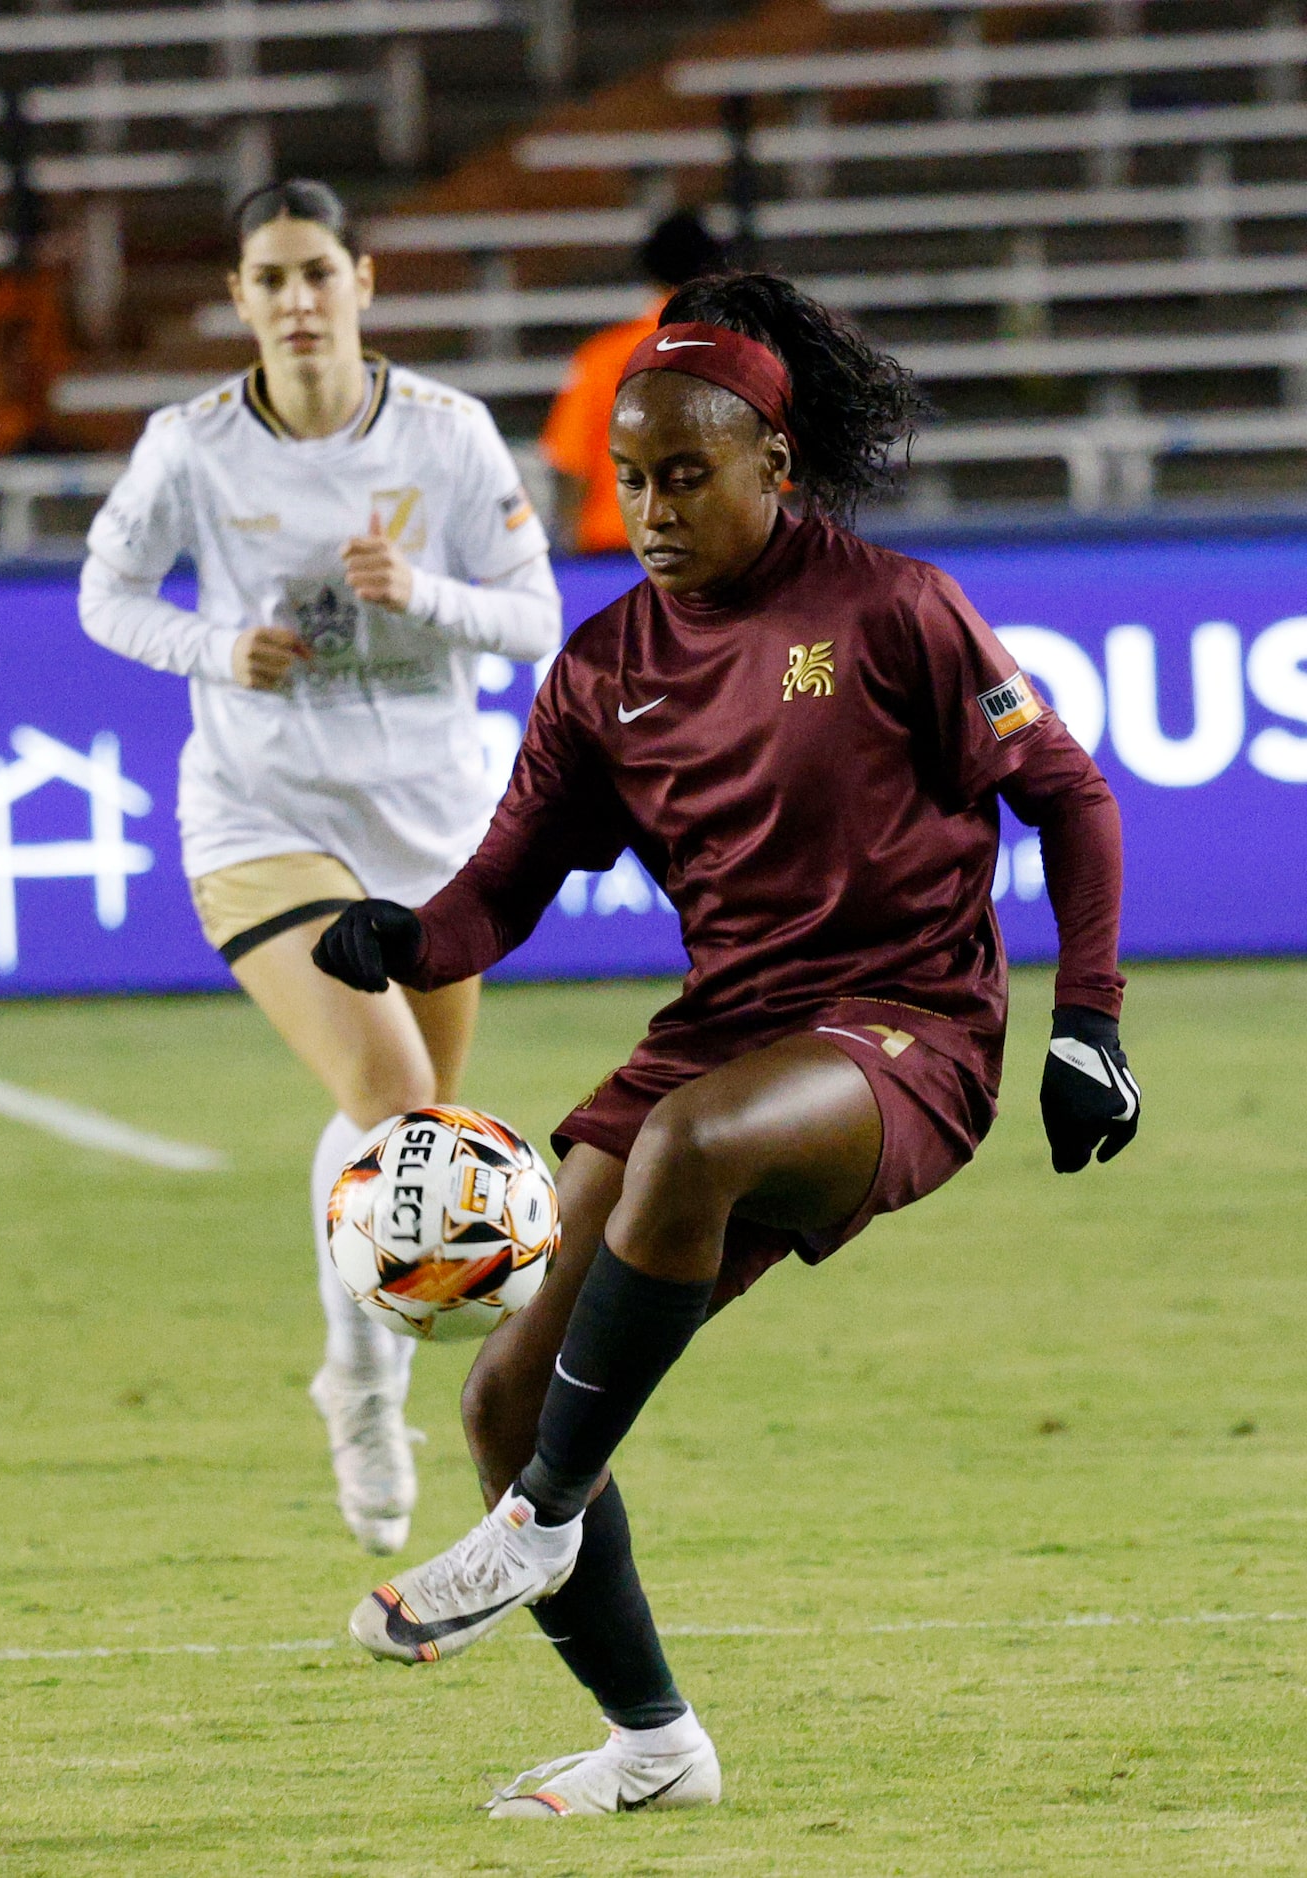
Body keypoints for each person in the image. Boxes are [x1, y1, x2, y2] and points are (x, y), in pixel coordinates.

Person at [313, 273, 1141, 1816]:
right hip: (730, 1027)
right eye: (631, 477)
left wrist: (1088, 1023)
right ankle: (653, 1743)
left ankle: (542, 1519)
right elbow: (505, 882)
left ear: (775, 459)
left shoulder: (896, 610)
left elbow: (1073, 802)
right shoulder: (604, 664)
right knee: (499, 1395)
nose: (650, 506)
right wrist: (406, 939)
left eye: (686, 472)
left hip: (909, 1025)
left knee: (682, 1157)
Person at [78, 179, 561, 1556]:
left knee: (407, 1134)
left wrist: (422, 596)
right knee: (395, 1093)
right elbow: (106, 596)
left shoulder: (446, 434)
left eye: (316, 275)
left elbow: (535, 618)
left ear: (364, 281)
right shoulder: (193, 446)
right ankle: (361, 1390)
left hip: (430, 827)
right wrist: (216, 649)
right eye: (269, 280)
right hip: (256, 810)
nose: (296, 302)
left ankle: (359, 1365)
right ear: (240, 299)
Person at [540, 208, 727, 555]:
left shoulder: (599, 357)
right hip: (708, 554)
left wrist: (570, 555)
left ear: (649, 270)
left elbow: (571, 466)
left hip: (614, 549)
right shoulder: (737, 358)